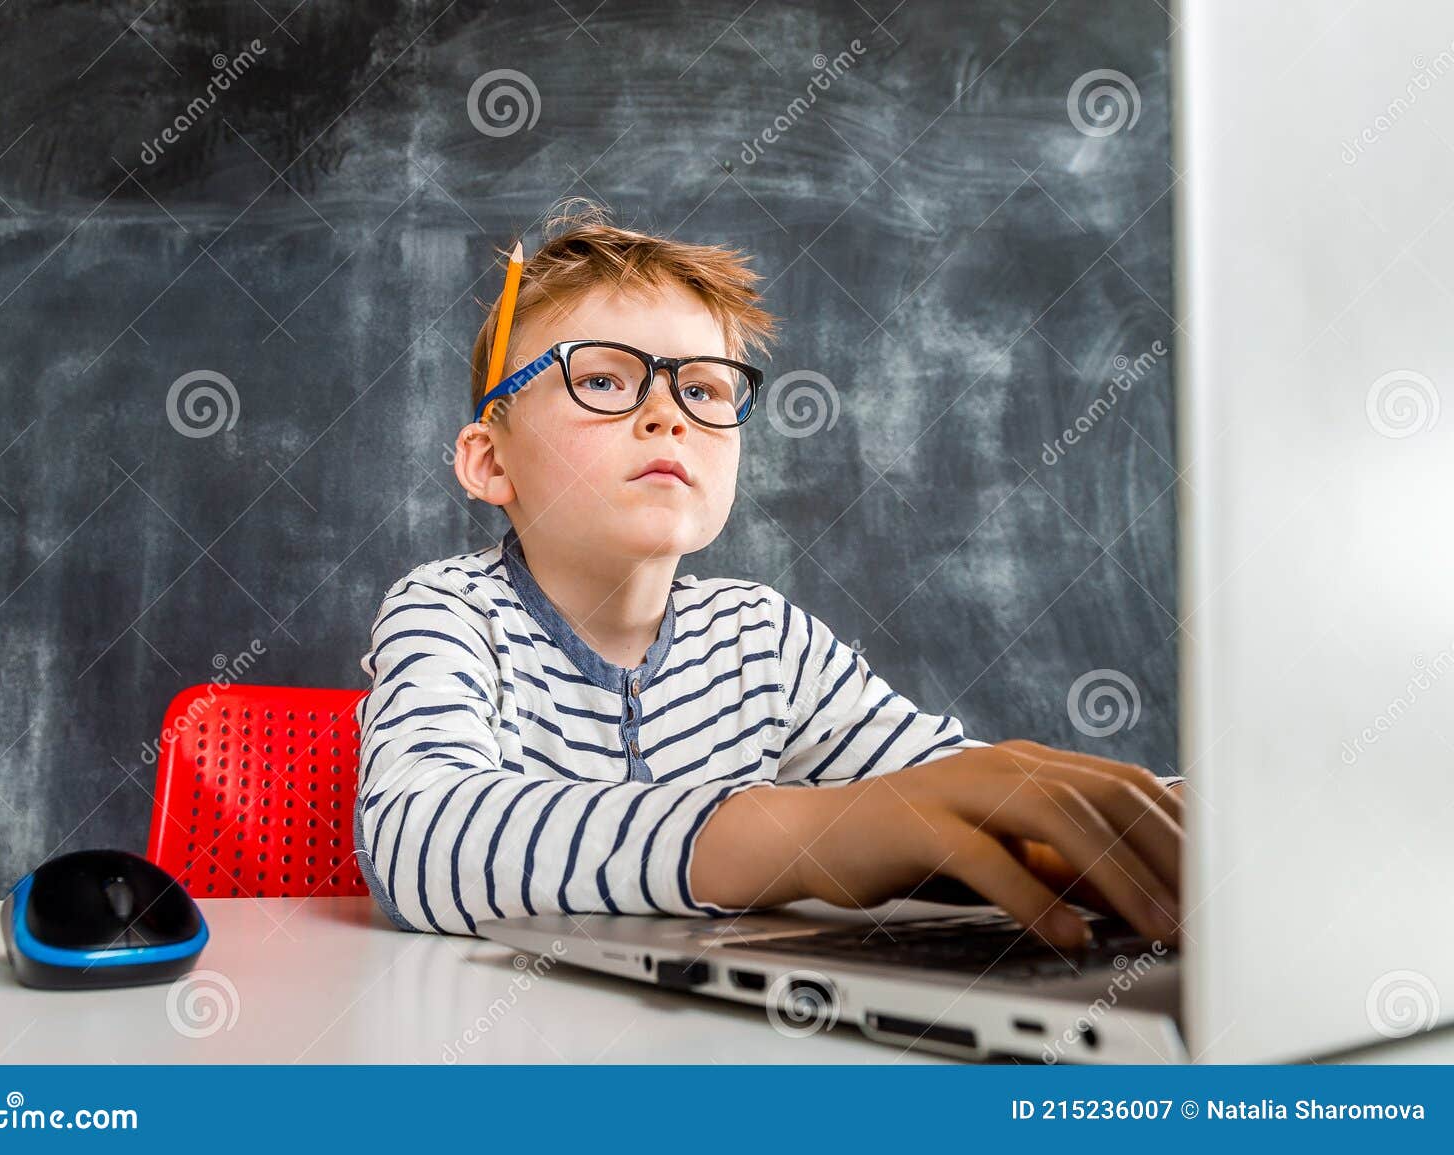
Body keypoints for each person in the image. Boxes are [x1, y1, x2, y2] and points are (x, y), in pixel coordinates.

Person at [353, 200, 1183, 949]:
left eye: (706, 389)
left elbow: (952, 797)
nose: (666, 412)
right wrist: (794, 834)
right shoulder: (449, 612)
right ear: (491, 460)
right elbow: (419, 840)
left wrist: (1162, 823)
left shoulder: (761, 635)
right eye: (602, 377)